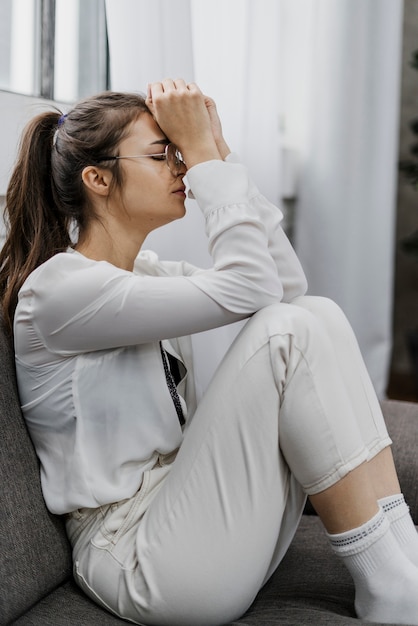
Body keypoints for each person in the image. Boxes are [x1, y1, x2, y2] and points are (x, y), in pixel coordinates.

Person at [0, 78, 417, 626]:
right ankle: (395, 592)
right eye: (162, 154)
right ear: (97, 178)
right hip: (137, 559)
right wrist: (202, 156)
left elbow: (285, 284)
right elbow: (254, 291)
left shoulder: (147, 276)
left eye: (179, 154)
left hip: (188, 522)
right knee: (286, 331)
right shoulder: (59, 292)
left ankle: (401, 564)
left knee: (316, 314)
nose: (180, 169)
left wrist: (218, 151)